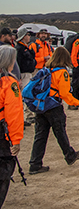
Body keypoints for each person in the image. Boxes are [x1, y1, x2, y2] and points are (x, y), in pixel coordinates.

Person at [28, 46, 79, 174]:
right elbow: (64, 93)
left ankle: (35, 163)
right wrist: (77, 102)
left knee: (40, 135)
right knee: (60, 132)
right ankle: (69, 155)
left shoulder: (46, 69)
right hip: (53, 106)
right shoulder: (62, 72)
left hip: (41, 105)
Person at [0, 46, 24, 208]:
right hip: (2, 135)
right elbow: (14, 114)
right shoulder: (9, 83)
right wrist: (15, 140)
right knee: (4, 171)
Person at [15, 28, 36, 126]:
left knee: (27, 94)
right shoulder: (19, 48)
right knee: (25, 95)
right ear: (23, 36)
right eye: (27, 35)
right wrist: (18, 77)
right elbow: (17, 64)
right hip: (23, 75)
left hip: (27, 73)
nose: (29, 37)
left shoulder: (25, 47)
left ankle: (26, 116)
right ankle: (24, 117)